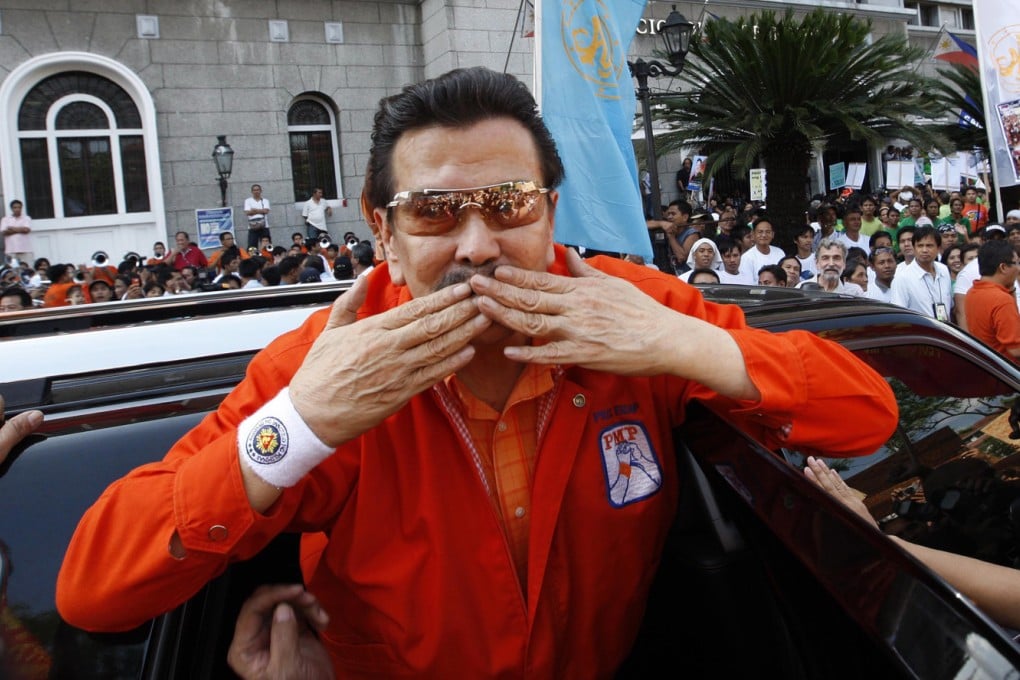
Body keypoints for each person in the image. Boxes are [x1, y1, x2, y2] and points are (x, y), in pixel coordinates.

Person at [57, 66, 897, 678]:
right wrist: (298, 427)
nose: (476, 246)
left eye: (508, 205)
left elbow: (866, 415)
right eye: (433, 212)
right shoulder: (325, 364)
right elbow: (95, 590)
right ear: (381, 230)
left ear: (550, 211)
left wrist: (686, 346)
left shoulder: (629, 308)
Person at [803, 456, 1020, 630]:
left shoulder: (1009, 503)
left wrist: (874, 541)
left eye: (971, 489)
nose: (969, 506)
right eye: (947, 502)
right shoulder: (952, 546)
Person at [965, 240, 1020, 362]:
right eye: (1017, 263)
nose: (1018, 269)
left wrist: (1011, 289)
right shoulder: (1001, 300)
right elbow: (1016, 349)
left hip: (988, 366)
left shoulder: (972, 292)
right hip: (1008, 373)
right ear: (1003, 267)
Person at [890, 225, 952, 320]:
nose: (924, 250)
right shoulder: (902, 278)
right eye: (920, 246)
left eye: (929, 246)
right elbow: (898, 316)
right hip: (920, 333)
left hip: (944, 331)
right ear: (914, 248)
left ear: (938, 248)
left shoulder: (944, 270)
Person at [1, 200, 32, 264]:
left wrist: (11, 228)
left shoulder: (26, 218)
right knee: (13, 270)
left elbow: (26, 230)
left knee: (28, 269)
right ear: (11, 208)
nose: (17, 209)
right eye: (15, 207)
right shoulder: (5, 219)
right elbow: (4, 232)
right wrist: (21, 229)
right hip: (11, 250)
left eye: (19, 207)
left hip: (25, 250)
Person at [244, 184, 271, 249]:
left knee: (267, 245)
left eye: (258, 190)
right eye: (254, 190)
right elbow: (247, 212)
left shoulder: (265, 201)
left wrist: (254, 210)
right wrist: (261, 211)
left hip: (264, 226)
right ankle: (254, 258)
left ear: (261, 191)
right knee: (252, 246)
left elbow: (266, 211)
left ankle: (268, 257)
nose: (256, 191)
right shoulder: (248, 201)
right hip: (252, 226)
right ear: (252, 191)